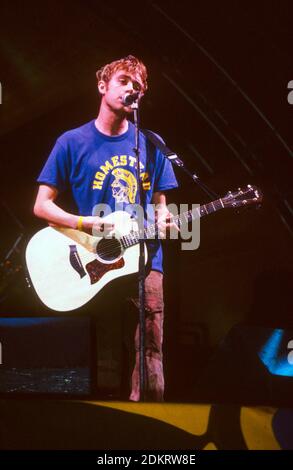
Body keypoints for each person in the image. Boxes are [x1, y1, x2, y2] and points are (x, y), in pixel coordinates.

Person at [33, 55, 178, 401]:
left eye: (138, 86)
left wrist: (166, 219)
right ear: (103, 86)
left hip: (144, 262)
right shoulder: (72, 141)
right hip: (92, 261)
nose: (132, 89)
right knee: (101, 352)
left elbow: (162, 210)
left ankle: (150, 429)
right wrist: (85, 222)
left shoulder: (152, 144)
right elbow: (41, 206)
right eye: (124, 81)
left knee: (150, 353)